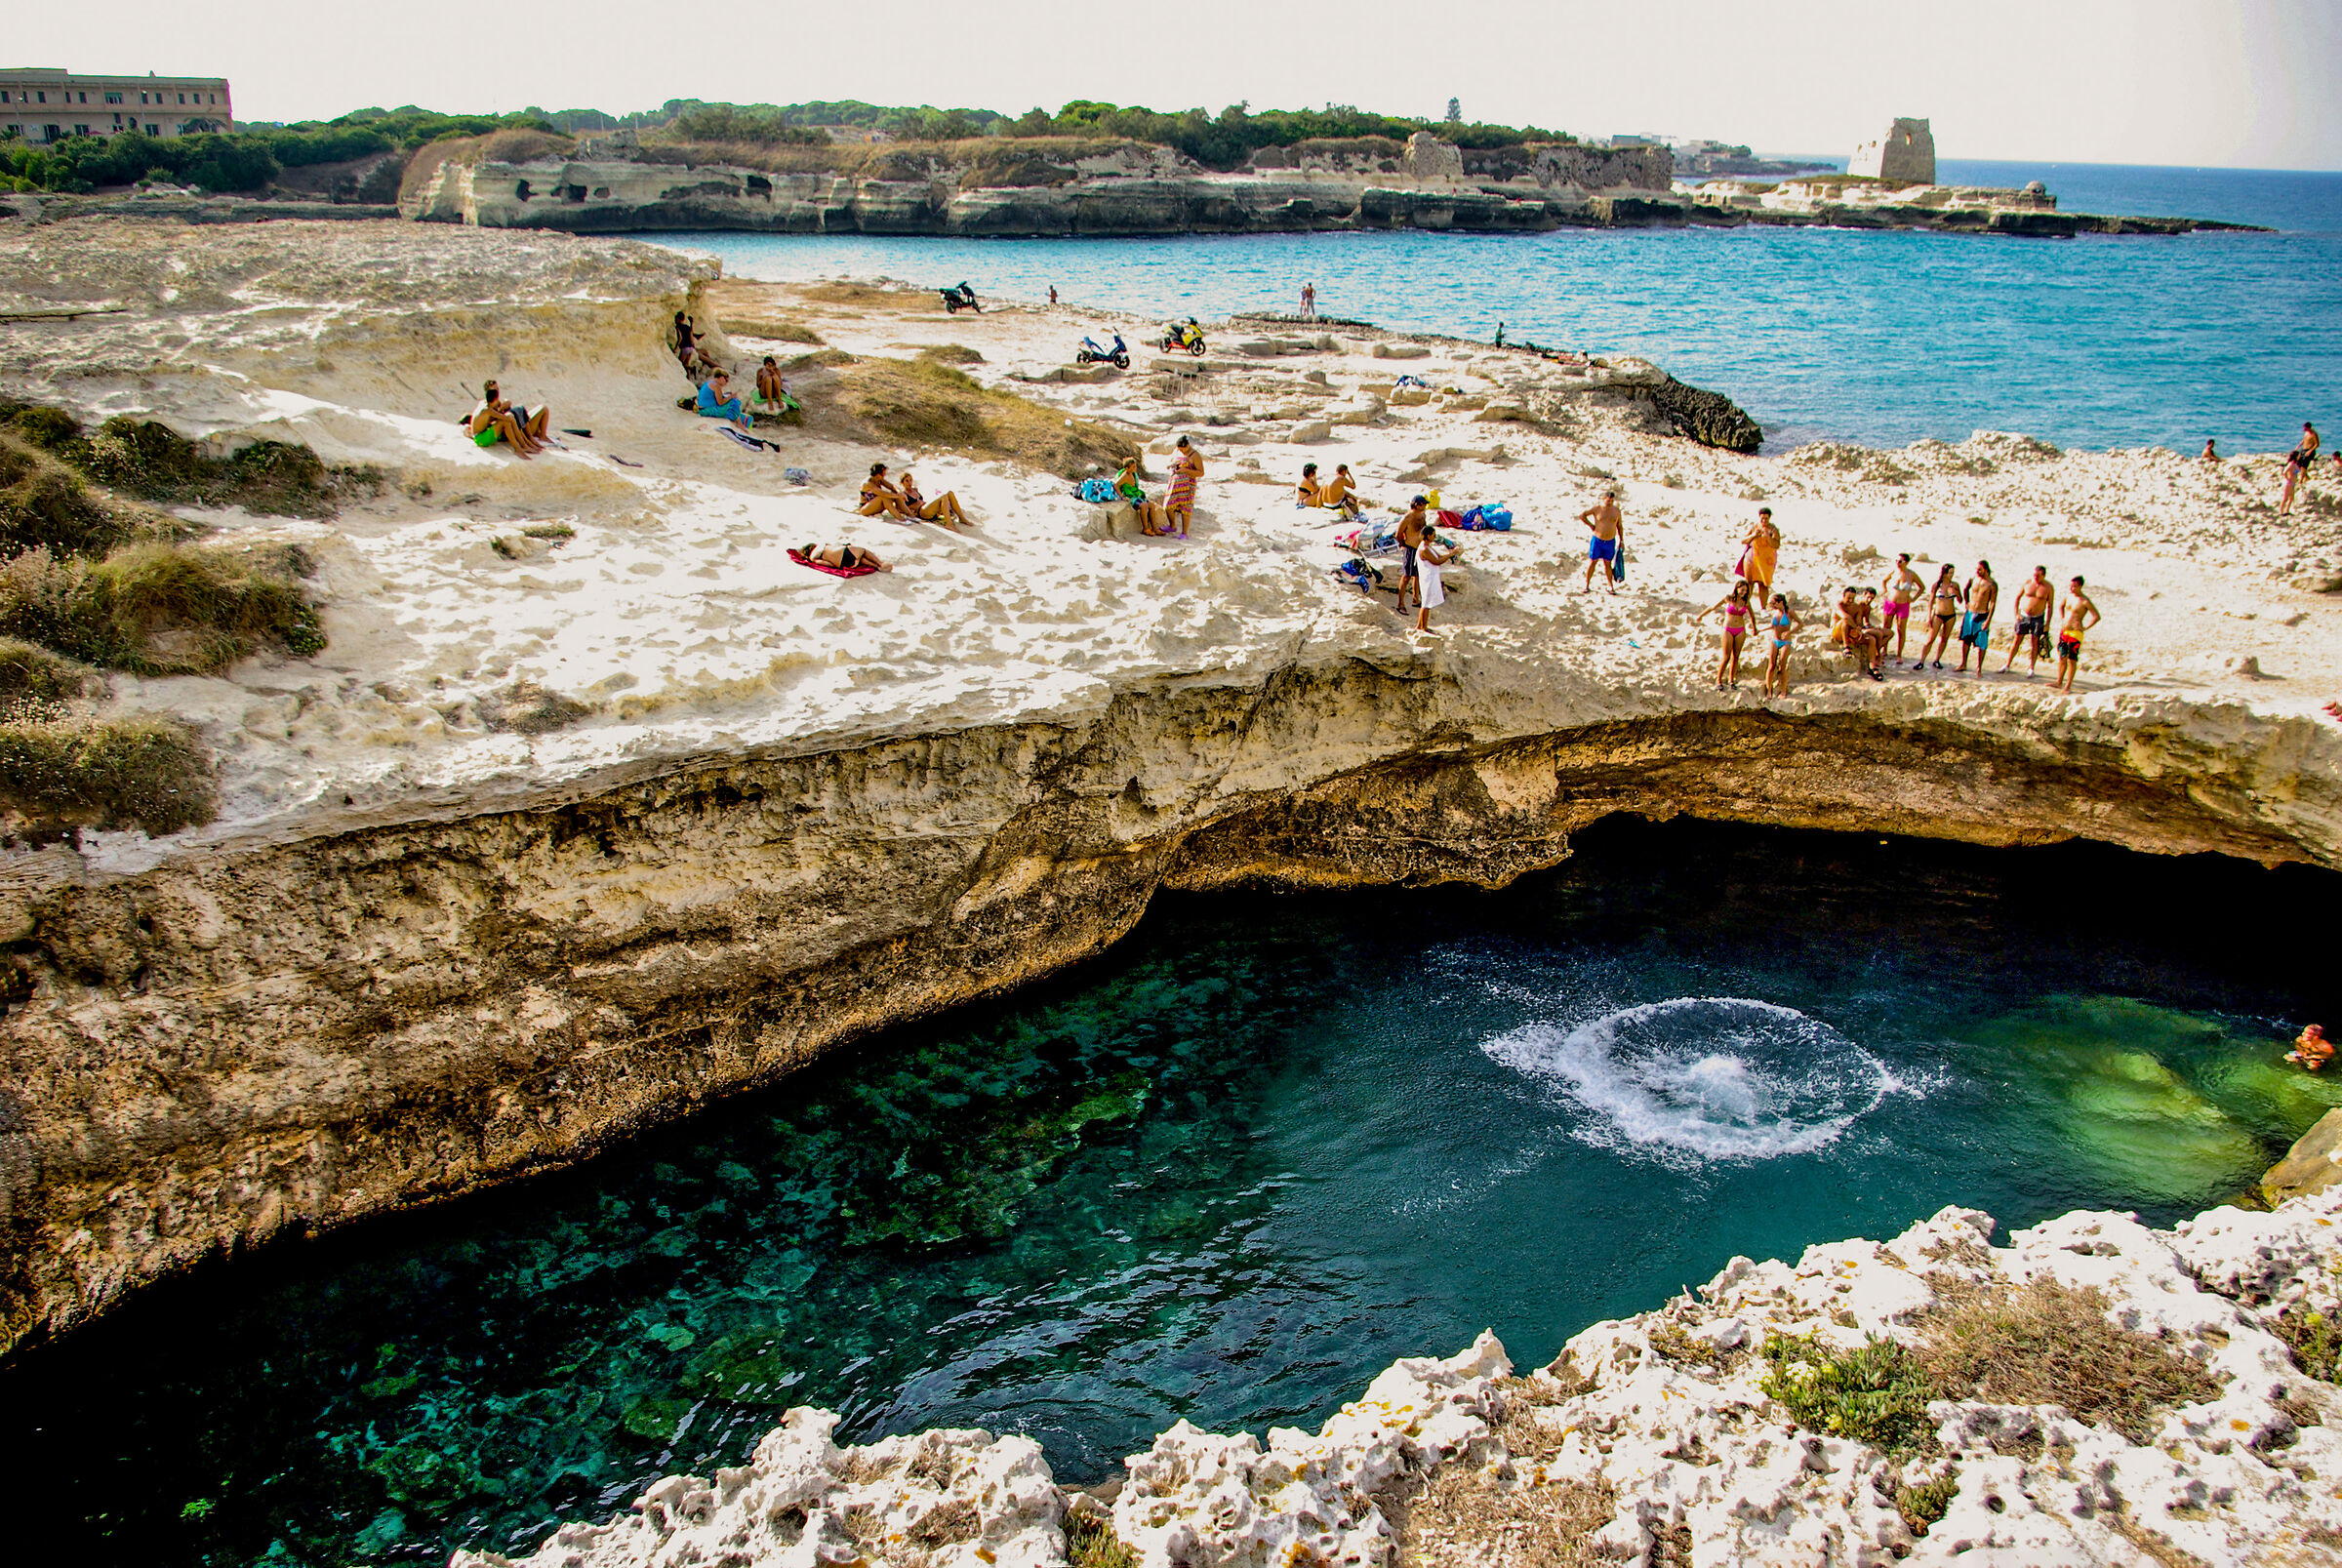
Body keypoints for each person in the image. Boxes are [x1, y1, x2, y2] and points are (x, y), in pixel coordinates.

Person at [1999, 566, 2055, 678]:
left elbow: (2050, 606)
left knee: (2034, 643)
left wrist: (2048, 623)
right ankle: (2007, 664)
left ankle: (2031, 668)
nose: (2036, 578)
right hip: (2024, 616)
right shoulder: (2028, 583)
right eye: (2034, 575)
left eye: (2038, 576)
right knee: (2017, 640)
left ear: (2043, 575)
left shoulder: (2048, 587)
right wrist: (2016, 614)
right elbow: (2017, 598)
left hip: (2038, 617)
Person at [468, 380, 546, 457]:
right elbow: (500, 417)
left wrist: (506, 408)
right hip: (480, 438)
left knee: (513, 415)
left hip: (485, 433)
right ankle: (521, 447)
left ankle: (525, 443)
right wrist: (508, 414)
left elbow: (502, 409)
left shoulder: (491, 404)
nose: (498, 391)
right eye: (495, 390)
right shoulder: (486, 409)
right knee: (507, 419)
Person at [2050, 575, 2099, 694]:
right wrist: (2063, 618)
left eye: (2074, 586)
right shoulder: (2068, 597)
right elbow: (2061, 606)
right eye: (2071, 586)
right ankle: (2059, 681)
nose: (2072, 588)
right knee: (2062, 657)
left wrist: (2085, 627)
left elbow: (2096, 616)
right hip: (2064, 631)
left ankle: (2068, 685)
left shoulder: (2085, 601)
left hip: (2075, 633)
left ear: (2080, 586)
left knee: (2072, 659)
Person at [1703, 580, 1756, 690]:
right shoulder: (1728, 599)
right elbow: (1713, 607)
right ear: (1737, 588)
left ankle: (1732, 680)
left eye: (1746, 591)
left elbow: (1752, 616)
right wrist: (1701, 615)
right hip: (1728, 630)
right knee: (1726, 656)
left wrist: (1754, 628)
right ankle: (1719, 680)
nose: (1744, 592)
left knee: (1736, 656)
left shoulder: (1746, 602)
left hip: (1740, 630)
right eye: (1742, 589)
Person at [1578, 490, 1625, 594]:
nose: (1610, 503)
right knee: (1593, 562)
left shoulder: (1616, 511)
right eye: (1608, 501)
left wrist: (1622, 540)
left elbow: (1619, 526)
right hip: (1597, 540)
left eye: (1612, 501)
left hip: (1610, 541)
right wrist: (1591, 526)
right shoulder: (1597, 509)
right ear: (1603, 499)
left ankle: (1610, 587)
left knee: (1607, 564)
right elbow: (1582, 516)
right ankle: (1587, 585)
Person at [1880, 551, 1922, 664]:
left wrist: (1913, 598)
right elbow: (1884, 581)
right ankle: (1884, 650)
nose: (1898, 563)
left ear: (1906, 562)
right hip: (1890, 602)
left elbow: (1922, 587)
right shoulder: (1894, 572)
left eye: (1900, 561)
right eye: (1896, 561)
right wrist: (1886, 592)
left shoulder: (1911, 574)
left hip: (1903, 604)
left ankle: (1899, 654)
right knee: (1886, 626)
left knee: (1901, 629)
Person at [1918, 562, 1962, 668]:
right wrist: (1929, 617)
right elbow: (1931, 601)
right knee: (1930, 639)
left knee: (1945, 638)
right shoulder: (1937, 585)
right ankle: (1921, 661)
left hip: (1951, 615)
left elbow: (1960, 600)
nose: (1951, 575)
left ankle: (1937, 659)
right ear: (1944, 573)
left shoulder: (1955, 585)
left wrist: (1956, 592)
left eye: (1953, 573)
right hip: (1938, 614)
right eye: (1949, 573)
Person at [1958, 560, 1999, 676]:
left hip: (1982, 614)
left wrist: (1988, 620)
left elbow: (1992, 603)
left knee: (1981, 642)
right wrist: (1966, 602)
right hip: (1970, 612)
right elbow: (1966, 589)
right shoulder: (1974, 579)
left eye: (1979, 569)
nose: (1977, 571)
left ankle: (1979, 667)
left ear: (1986, 570)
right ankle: (1963, 663)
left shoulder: (1991, 584)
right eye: (1976, 569)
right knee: (1966, 639)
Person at [1108, 455, 1165, 535]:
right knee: (1144, 505)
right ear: (1127, 468)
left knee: (1152, 505)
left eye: (1135, 466)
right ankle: (1146, 528)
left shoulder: (1133, 474)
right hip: (1130, 496)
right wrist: (1122, 496)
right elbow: (1116, 485)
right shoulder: (1125, 475)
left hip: (1136, 494)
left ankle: (1155, 528)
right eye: (1133, 467)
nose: (1135, 468)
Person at [1415, 528, 1458, 631]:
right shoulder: (1424, 549)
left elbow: (1439, 557)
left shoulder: (1428, 547)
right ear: (1428, 536)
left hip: (1431, 577)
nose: (1434, 537)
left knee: (1427, 603)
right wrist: (1451, 554)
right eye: (1433, 535)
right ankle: (1421, 627)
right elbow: (1437, 561)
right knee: (1425, 603)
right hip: (1427, 578)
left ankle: (1421, 626)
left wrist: (1450, 553)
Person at [1760, 593, 1802, 699]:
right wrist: (1759, 630)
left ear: (1781, 602)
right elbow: (1772, 626)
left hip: (1786, 642)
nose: (1772, 605)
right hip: (1775, 640)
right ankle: (1769, 690)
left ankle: (1783, 691)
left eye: (1774, 603)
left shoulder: (1790, 612)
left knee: (1782, 665)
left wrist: (1790, 632)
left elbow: (1800, 624)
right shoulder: (1775, 613)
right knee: (1771, 666)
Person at [898, 467, 968, 529]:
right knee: (943, 496)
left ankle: (962, 518)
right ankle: (949, 524)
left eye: (911, 480)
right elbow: (901, 508)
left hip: (927, 508)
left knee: (950, 493)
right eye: (907, 481)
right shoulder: (903, 494)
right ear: (902, 483)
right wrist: (910, 513)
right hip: (921, 512)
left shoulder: (915, 490)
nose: (909, 483)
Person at [1395, 496, 1431, 615]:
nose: (1425, 507)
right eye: (1423, 504)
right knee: (1406, 577)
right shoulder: (1407, 518)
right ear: (1416, 505)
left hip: (1419, 548)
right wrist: (1403, 545)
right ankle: (1400, 604)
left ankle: (1416, 599)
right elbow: (1398, 534)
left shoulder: (1422, 515)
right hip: (1410, 548)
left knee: (1418, 575)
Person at [1740, 507, 1781, 604]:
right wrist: (1754, 535)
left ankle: (1763, 608)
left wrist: (1768, 537)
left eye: (1766, 518)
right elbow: (1743, 540)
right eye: (1762, 518)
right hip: (1752, 557)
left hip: (1766, 560)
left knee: (1763, 584)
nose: (1763, 521)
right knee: (1749, 583)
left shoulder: (1773, 530)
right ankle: (1745, 605)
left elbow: (1776, 544)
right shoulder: (1755, 527)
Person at [1164, 435, 1201, 539]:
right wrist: (1171, 465)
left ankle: (1184, 533)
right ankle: (1172, 525)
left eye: (1183, 448)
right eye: (1180, 449)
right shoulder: (1177, 451)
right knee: (1168, 505)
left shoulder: (1195, 455)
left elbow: (1201, 473)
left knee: (1186, 508)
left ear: (1188, 445)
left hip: (1188, 485)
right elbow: (1172, 460)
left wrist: (1185, 470)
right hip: (1174, 484)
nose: (1182, 451)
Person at [2281, 422, 2321, 516]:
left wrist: (2310, 451)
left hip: (2310, 450)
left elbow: (2317, 444)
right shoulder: (2306, 433)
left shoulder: (2314, 434)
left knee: (2304, 466)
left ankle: (2302, 479)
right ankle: (2306, 476)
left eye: (2305, 428)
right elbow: (2304, 440)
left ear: (2309, 428)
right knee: (2299, 464)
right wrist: (2299, 446)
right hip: (2304, 449)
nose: (2304, 430)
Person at [1847, 587, 1886, 680]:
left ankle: (1879, 654)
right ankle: (1877, 657)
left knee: (1889, 633)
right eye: (1868, 597)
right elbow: (1857, 621)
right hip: (1857, 629)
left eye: (1872, 598)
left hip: (1863, 627)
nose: (1869, 600)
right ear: (1864, 594)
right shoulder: (1859, 606)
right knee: (1878, 635)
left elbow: (1866, 622)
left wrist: (1873, 627)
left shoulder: (1868, 607)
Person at [799, 542, 893, 573]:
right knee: (863, 551)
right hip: (845, 551)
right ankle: (880, 563)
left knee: (858, 559)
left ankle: (875, 566)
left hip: (845, 563)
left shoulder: (813, 558)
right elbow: (837, 545)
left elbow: (829, 564)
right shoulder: (822, 544)